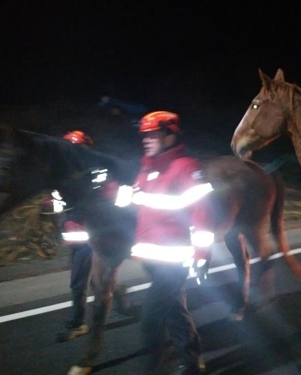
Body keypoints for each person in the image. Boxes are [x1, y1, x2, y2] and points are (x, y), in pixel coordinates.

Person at [127, 111, 213, 374]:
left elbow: (202, 214)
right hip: (153, 259)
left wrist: (201, 254)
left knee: (150, 320)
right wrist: (109, 190)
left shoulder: (187, 167)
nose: (146, 139)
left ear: (170, 135)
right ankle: (192, 359)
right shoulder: (147, 169)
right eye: (144, 135)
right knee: (174, 310)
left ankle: (150, 368)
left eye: (152, 134)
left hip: (174, 261)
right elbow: (137, 202)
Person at [56, 130, 130, 343]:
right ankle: (120, 297)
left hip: (95, 236)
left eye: (78, 148)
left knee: (79, 283)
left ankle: (78, 324)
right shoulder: (62, 175)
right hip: (75, 236)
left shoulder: (99, 172)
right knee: (98, 280)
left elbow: (111, 199)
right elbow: (58, 206)